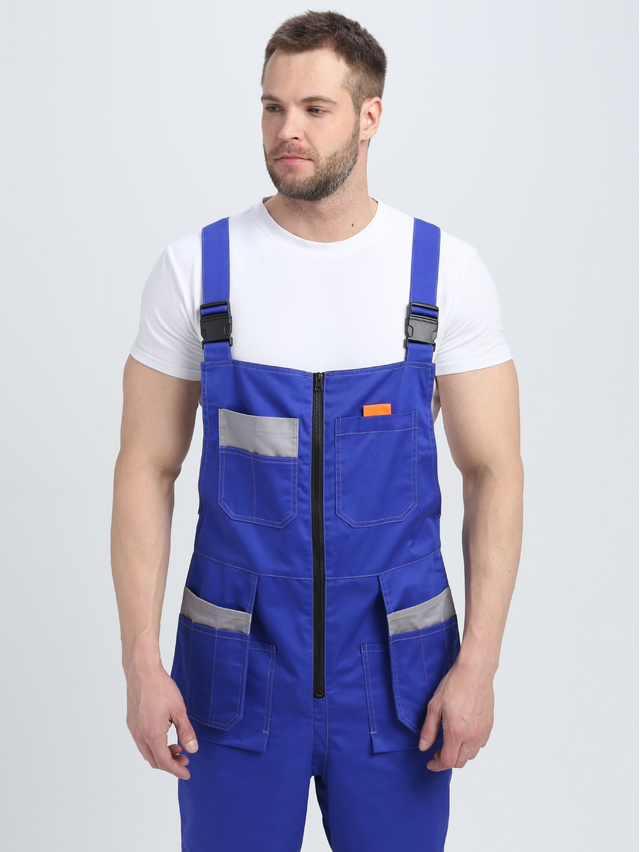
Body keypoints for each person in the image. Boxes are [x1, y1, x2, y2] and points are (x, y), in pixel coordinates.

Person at [111, 10, 524, 852]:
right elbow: (144, 469)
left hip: (400, 687)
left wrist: (478, 664)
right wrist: (141, 664)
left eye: (314, 109)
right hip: (233, 682)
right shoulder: (197, 271)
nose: (286, 130)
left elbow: (494, 473)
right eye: (272, 107)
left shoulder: (442, 274)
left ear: (371, 117)